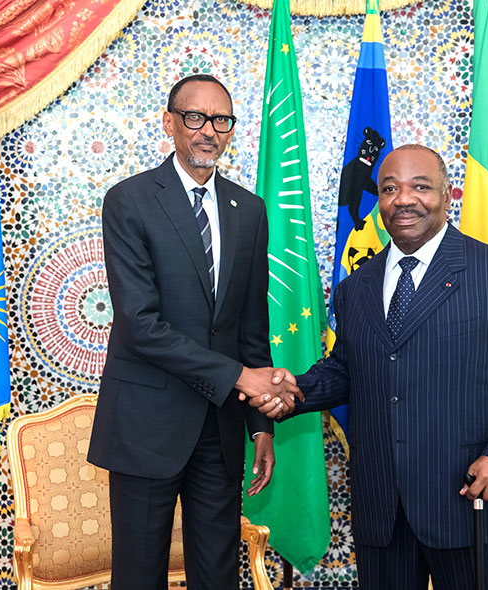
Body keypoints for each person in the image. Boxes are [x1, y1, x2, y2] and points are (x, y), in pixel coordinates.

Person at [246, 144, 488, 589]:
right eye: (390, 188)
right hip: (382, 507)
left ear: (447, 196)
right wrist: (290, 390)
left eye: (420, 187)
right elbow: (347, 370)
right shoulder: (355, 287)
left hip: (469, 494)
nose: (404, 199)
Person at [88, 74, 299, 590]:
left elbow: (252, 327)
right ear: (170, 124)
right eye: (195, 118)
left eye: (221, 120)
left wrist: (260, 426)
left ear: (231, 131)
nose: (208, 130)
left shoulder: (249, 210)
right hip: (146, 429)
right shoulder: (129, 201)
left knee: (219, 577)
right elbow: (141, 325)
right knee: (139, 577)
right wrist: (241, 378)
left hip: (219, 430)